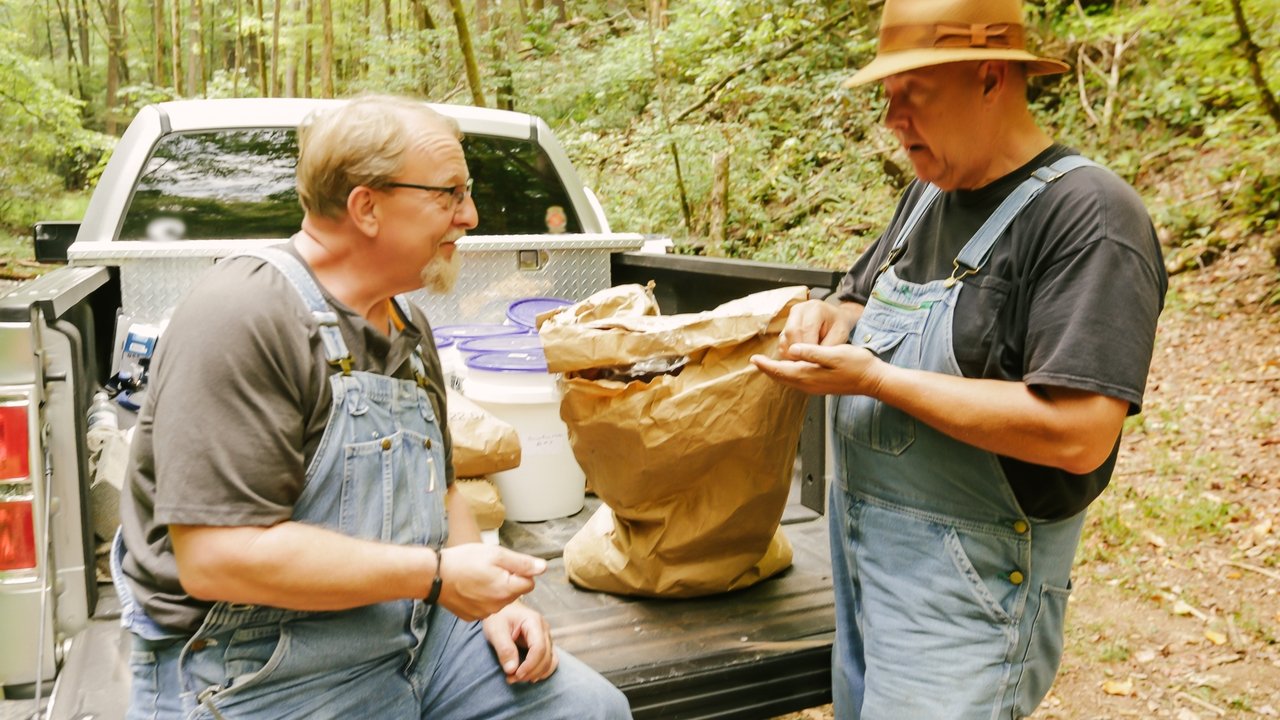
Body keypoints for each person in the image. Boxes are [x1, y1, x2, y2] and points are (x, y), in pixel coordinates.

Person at [113, 95, 632, 720]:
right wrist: (438, 577)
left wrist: (493, 605)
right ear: (366, 207)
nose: (468, 216)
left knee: (588, 710)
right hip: (255, 666)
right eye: (448, 194)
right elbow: (216, 559)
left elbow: (440, 494)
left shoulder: (406, 321)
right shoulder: (245, 316)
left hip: (410, 634)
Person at [751, 0, 1167, 717]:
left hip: (967, 602)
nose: (892, 119)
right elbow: (857, 304)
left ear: (989, 77)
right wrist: (827, 318)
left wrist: (880, 379)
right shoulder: (927, 195)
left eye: (913, 94)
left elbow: (1078, 433)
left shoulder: (1090, 218)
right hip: (868, 583)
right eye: (887, 96)